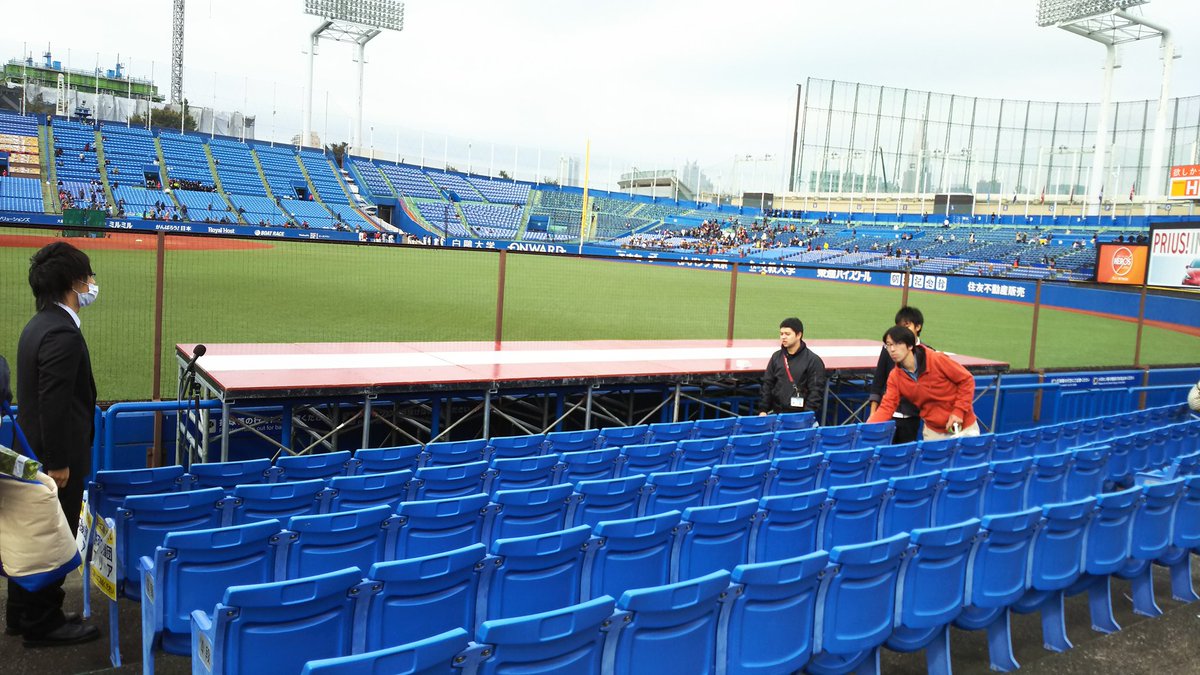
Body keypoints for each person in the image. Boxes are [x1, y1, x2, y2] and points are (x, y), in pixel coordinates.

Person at [6, 242, 100, 647]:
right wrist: (59, 461)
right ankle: (43, 623)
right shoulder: (61, 332)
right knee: (51, 538)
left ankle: (21, 614)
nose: (92, 284)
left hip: (33, 451)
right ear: (73, 283)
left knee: (30, 537)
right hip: (53, 460)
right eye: (88, 277)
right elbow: (54, 402)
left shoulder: (39, 324)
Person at [868, 325, 978, 440]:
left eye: (897, 344)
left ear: (910, 345)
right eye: (889, 345)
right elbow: (887, 407)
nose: (892, 349)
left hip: (963, 425)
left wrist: (959, 411)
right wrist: (867, 428)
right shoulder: (895, 377)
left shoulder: (935, 359)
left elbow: (966, 380)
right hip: (934, 430)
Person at [867, 307, 929, 444]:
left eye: (906, 325)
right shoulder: (889, 351)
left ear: (918, 327)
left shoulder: (929, 354)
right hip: (888, 415)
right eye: (899, 326)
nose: (902, 331)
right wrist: (873, 415)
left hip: (912, 417)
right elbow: (878, 381)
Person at [758, 318, 826, 417]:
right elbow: (767, 384)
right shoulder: (776, 357)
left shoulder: (813, 360)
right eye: (781, 334)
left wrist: (806, 416)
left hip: (800, 416)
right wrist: (763, 410)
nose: (783, 337)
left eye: (787, 334)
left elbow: (816, 391)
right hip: (777, 414)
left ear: (799, 335)